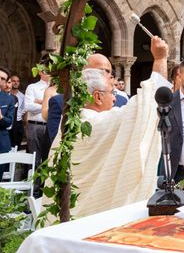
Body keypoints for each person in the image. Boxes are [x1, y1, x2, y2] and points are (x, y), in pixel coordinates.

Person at [49, 36, 172, 218]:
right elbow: (149, 104)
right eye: (112, 92)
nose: (115, 98)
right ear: (97, 97)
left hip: (66, 220)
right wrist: (161, 59)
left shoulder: (69, 124)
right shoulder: (99, 123)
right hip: (95, 219)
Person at [24, 59, 50, 167]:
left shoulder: (56, 89)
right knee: (34, 159)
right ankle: (33, 184)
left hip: (50, 126)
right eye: (44, 69)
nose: (48, 71)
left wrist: (41, 103)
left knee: (48, 158)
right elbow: (28, 106)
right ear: (39, 71)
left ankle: (45, 184)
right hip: (35, 126)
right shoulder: (32, 87)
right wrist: (47, 104)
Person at [0, 67, 15, 155]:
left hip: (1, 144)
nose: (0, 80)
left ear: (5, 83)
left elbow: (9, 122)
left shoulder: (9, 99)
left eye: (3, 79)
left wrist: (1, 117)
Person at [9, 75, 25, 148]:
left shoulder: (22, 96)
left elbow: (24, 109)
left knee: (17, 145)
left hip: (18, 123)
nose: (16, 83)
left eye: (18, 81)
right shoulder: (6, 95)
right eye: (14, 81)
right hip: (7, 122)